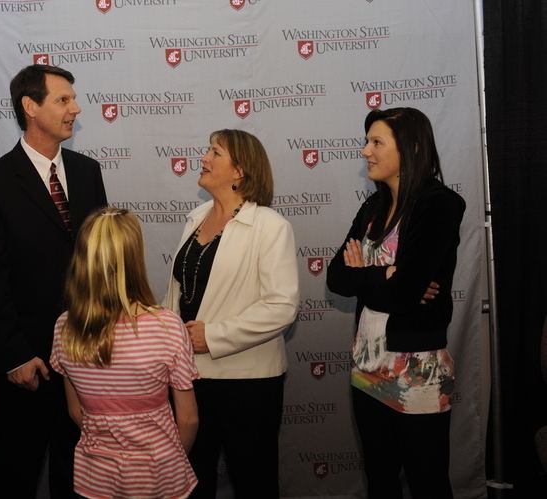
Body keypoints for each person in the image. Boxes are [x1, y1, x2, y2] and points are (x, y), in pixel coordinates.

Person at [0, 64, 107, 499]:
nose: (75, 108)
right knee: (17, 477)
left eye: (73, 99)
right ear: (30, 106)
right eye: (63, 100)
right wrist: (14, 356)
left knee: (81, 477)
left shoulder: (88, 172)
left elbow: (103, 262)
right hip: (29, 367)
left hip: (88, 360)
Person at [327, 107, 466, 499]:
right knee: (381, 481)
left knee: (427, 483)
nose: (365, 151)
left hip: (417, 370)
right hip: (367, 367)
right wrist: (388, 274)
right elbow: (337, 278)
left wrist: (376, 275)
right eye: (367, 141)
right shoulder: (372, 208)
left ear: (412, 147)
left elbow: (406, 293)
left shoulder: (439, 204)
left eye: (376, 142)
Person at [163, 129, 299, 498]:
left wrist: (214, 336)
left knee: (254, 481)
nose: (204, 158)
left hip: (248, 384)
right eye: (207, 149)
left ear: (239, 171)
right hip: (190, 379)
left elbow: (282, 306)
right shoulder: (195, 218)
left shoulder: (271, 227)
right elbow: (177, 294)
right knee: (192, 481)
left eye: (215, 152)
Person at [50, 207, 200, 498]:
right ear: (134, 261)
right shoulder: (166, 326)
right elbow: (189, 419)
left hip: (96, 479)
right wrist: (168, 456)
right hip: (161, 478)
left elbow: (75, 411)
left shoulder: (64, 327)